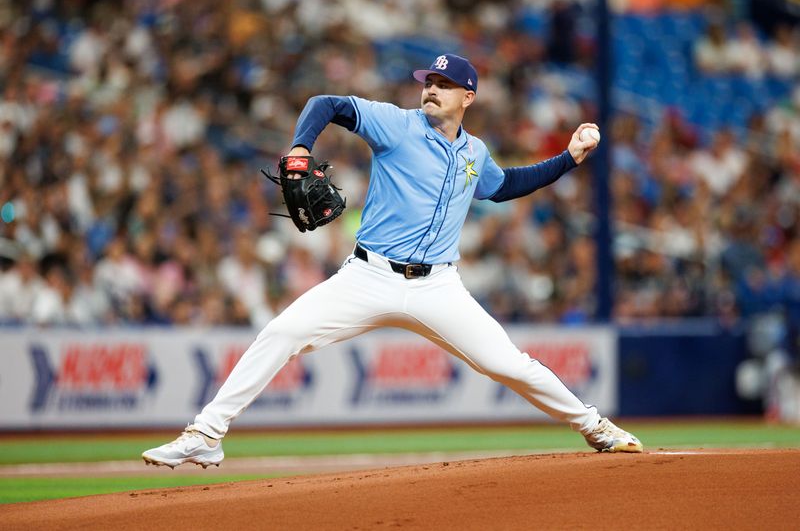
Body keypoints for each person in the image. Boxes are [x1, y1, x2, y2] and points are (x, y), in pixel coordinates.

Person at [142, 53, 642, 469]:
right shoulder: (396, 125)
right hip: (368, 275)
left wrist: (570, 158)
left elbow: (506, 185)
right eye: (429, 82)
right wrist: (299, 148)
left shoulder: (475, 152)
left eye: (445, 85)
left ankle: (594, 426)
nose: (431, 90)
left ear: (468, 97)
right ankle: (206, 433)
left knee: (508, 364)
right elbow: (327, 103)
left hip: (438, 288)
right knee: (281, 333)